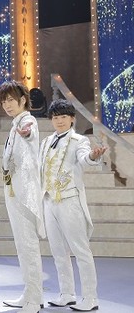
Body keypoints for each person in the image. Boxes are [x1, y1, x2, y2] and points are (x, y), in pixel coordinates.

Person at [40, 99, 106, 312]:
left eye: (63, 117)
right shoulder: (46, 141)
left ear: (72, 119)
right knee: (58, 251)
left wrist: (93, 156)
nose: (59, 121)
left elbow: (84, 159)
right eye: (55, 117)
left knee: (81, 250)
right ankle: (67, 293)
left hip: (69, 200)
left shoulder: (79, 140)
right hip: (49, 200)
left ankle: (91, 297)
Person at [0, 80, 44, 313]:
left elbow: (30, 133)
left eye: (11, 100)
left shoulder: (27, 121)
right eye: (4, 101)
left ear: (23, 100)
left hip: (25, 193)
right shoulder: (15, 123)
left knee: (28, 245)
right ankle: (30, 292)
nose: (7, 105)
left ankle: (34, 299)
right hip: (14, 190)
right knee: (21, 246)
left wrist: (27, 134)